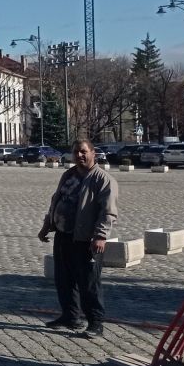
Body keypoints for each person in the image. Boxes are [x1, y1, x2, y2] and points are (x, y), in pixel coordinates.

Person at [37, 139, 118, 338]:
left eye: (83, 152)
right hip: (64, 236)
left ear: (93, 154)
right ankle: (70, 316)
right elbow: (56, 200)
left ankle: (95, 322)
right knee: (64, 280)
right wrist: (47, 225)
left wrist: (100, 236)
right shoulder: (68, 175)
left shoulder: (103, 179)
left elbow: (108, 212)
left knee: (89, 283)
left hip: (86, 239)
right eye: (76, 152)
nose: (79, 156)